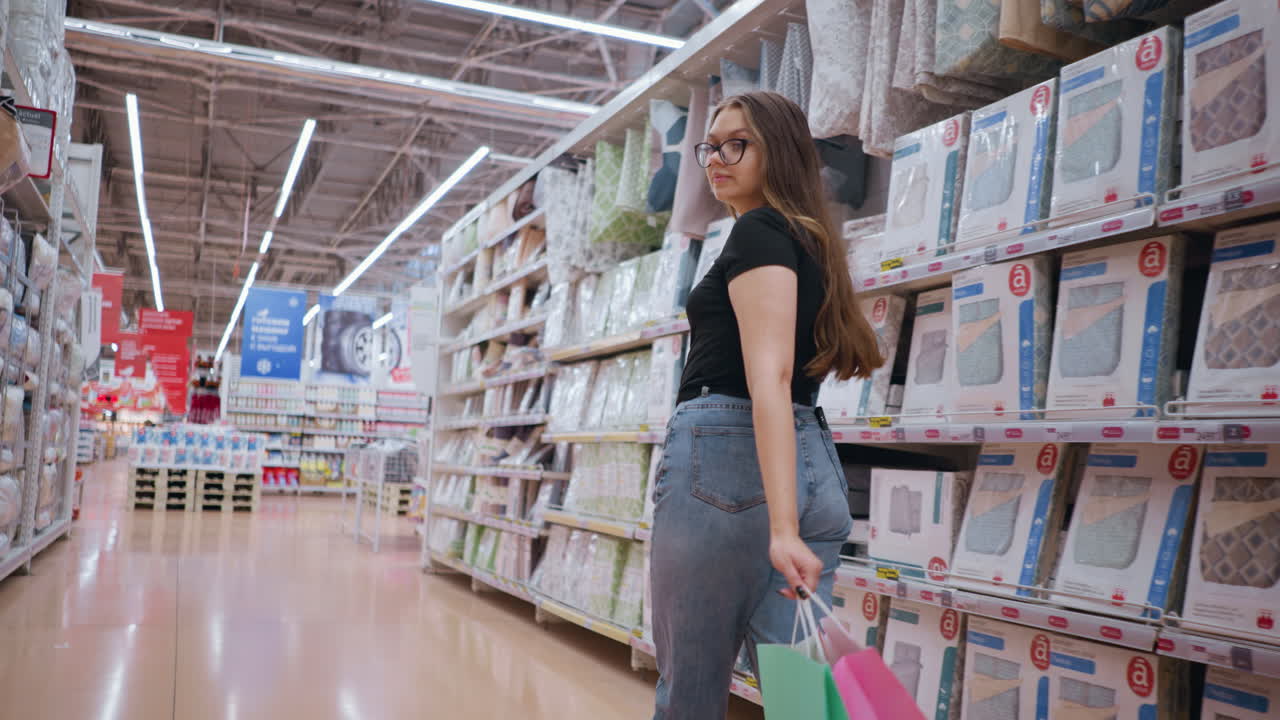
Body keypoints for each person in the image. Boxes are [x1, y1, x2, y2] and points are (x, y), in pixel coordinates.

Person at [650, 91, 885, 719]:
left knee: (690, 693)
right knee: (802, 699)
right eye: (710, 146)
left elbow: (770, 377)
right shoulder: (809, 240)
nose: (716, 160)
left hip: (727, 472)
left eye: (737, 144)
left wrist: (781, 527)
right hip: (809, 463)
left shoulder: (757, 233)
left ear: (776, 152)